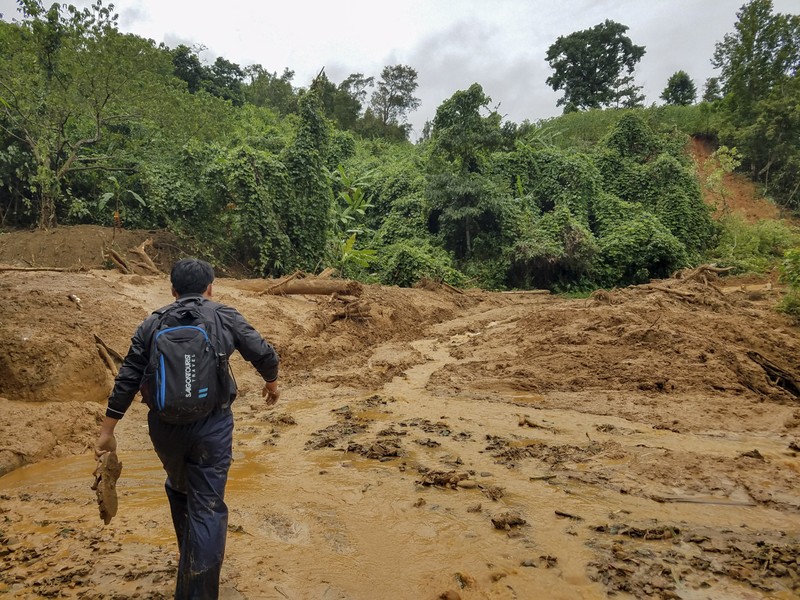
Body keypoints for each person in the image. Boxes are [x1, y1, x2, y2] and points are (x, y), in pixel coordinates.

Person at [95, 258, 280, 599]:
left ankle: (189, 561)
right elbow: (264, 353)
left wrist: (107, 431)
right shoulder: (224, 315)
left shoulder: (151, 324)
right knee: (207, 506)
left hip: (165, 430)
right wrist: (271, 385)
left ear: (173, 291)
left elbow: (128, 379)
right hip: (212, 427)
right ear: (210, 288)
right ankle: (197, 591)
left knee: (179, 487)